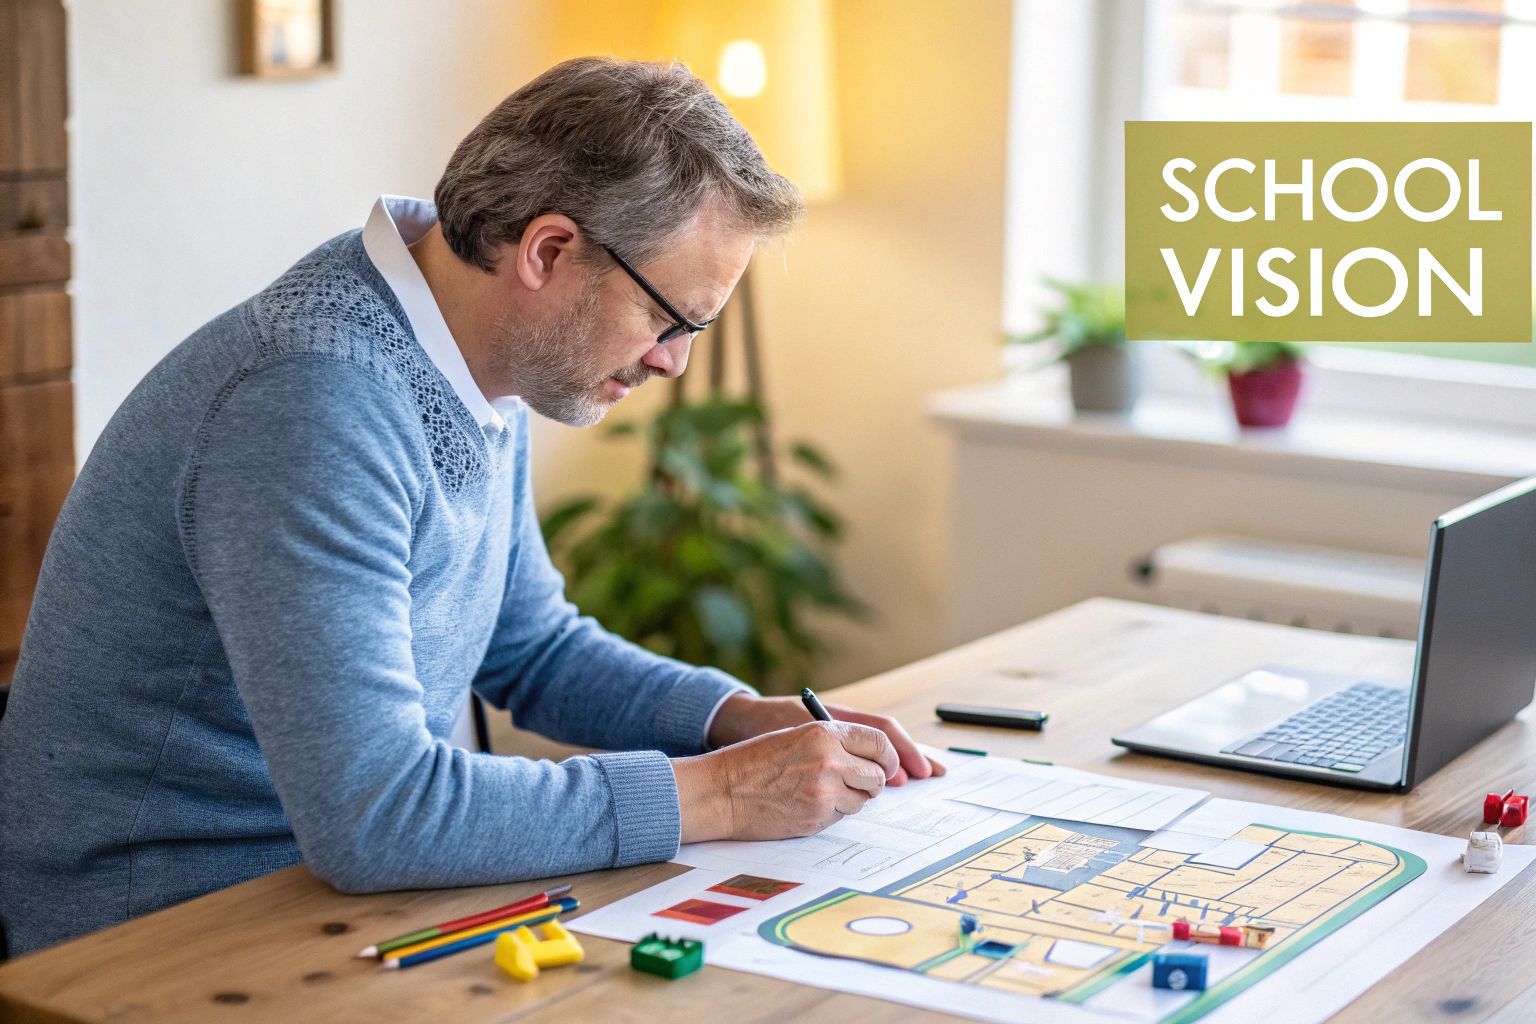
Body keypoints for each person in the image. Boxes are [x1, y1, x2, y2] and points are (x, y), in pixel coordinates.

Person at [0, 57, 939, 958]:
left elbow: (529, 644)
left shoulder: (472, 350)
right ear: (550, 251)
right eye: (667, 319)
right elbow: (380, 815)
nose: (672, 363)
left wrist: (733, 719)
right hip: (160, 927)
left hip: (316, 895)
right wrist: (723, 794)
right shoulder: (315, 402)